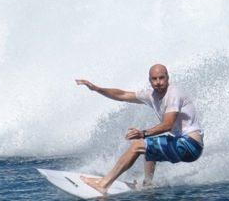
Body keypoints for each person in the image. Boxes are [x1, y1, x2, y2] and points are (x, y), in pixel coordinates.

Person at [75, 64, 204, 194]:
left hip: (189, 145)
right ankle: (148, 185)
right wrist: (97, 89)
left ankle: (103, 184)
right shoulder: (152, 96)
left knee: (138, 145)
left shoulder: (173, 94)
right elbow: (123, 95)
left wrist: (143, 133)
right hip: (184, 143)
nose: (158, 82)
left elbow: (167, 125)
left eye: (161, 78)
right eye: (154, 79)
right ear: (150, 80)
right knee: (149, 146)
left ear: (167, 78)